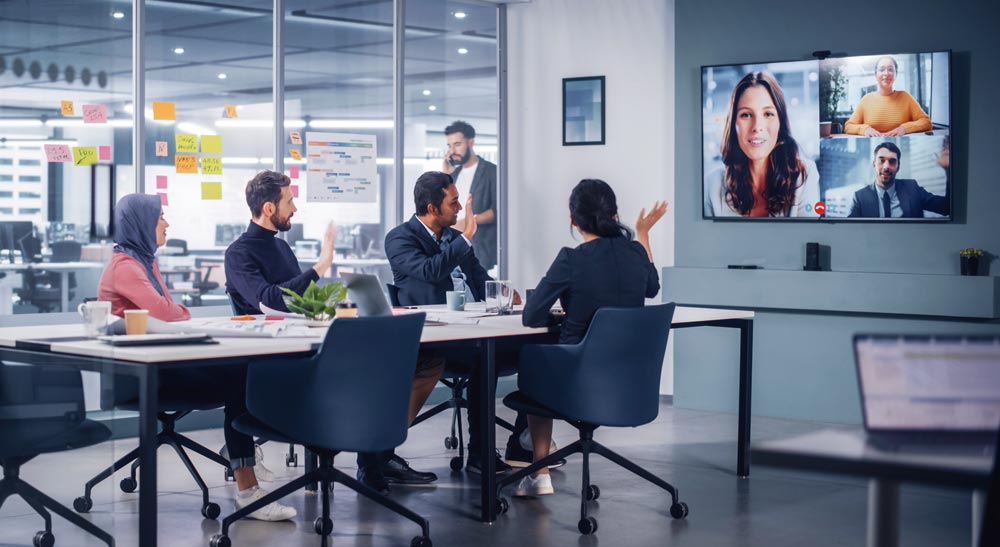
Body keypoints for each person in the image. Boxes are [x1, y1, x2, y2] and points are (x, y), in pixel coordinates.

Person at [224, 170, 441, 495]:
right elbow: (270, 301)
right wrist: (320, 266)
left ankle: (374, 463)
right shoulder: (238, 253)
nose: (294, 208)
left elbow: (302, 302)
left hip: (307, 346)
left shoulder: (281, 249)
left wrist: (335, 306)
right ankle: (253, 485)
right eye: (289, 201)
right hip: (272, 360)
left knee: (385, 368)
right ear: (269, 209)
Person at [99, 193, 296, 522]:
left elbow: (169, 316)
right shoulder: (126, 267)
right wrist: (177, 312)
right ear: (141, 224)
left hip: (162, 362)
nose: (166, 223)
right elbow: (169, 314)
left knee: (241, 371)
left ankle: (241, 454)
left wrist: (176, 313)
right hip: (140, 375)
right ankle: (248, 488)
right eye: (159, 217)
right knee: (239, 377)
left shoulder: (144, 262)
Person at [386, 171, 548, 475]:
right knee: (482, 360)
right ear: (432, 208)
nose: (459, 208)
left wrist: (502, 292)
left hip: (475, 331)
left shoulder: (450, 237)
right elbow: (431, 271)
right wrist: (465, 238)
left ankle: (522, 444)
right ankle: (481, 455)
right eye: (454, 201)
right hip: (438, 341)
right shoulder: (400, 238)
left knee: (536, 352)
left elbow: (479, 278)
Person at [513, 179, 667, 497]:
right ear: (615, 215)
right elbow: (652, 288)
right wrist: (643, 235)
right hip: (630, 384)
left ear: (573, 220)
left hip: (578, 382)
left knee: (536, 356)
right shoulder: (636, 253)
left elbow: (530, 317)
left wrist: (562, 316)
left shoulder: (573, 258)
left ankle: (539, 472)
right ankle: (533, 449)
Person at [704, 71, 820, 218]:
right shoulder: (712, 184)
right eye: (746, 114)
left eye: (768, 114)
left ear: (780, 122)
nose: (757, 126)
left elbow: (807, 236)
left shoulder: (805, 175)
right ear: (734, 123)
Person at [441, 120, 498, 272]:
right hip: (453, 246)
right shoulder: (454, 174)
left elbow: (498, 211)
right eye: (450, 145)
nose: (453, 150)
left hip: (481, 249)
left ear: (471, 142)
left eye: (457, 144)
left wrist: (468, 222)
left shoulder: (491, 171)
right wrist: (445, 176)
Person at [848, 141, 949, 218]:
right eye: (881, 161)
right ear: (874, 164)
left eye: (892, 161)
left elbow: (946, 207)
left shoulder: (912, 188)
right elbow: (849, 230)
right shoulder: (860, 197)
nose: (886, 167)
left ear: (898, 167)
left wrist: (949, 169)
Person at [844, 56, 932, 137]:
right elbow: (848, 126)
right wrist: (865, 129)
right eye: (881, 70)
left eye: (890, 69)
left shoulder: (905, 97)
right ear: (876, 75)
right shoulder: (866, 99)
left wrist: (905, 128)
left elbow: (926, 122)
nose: (886, 73)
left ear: (896, 74)